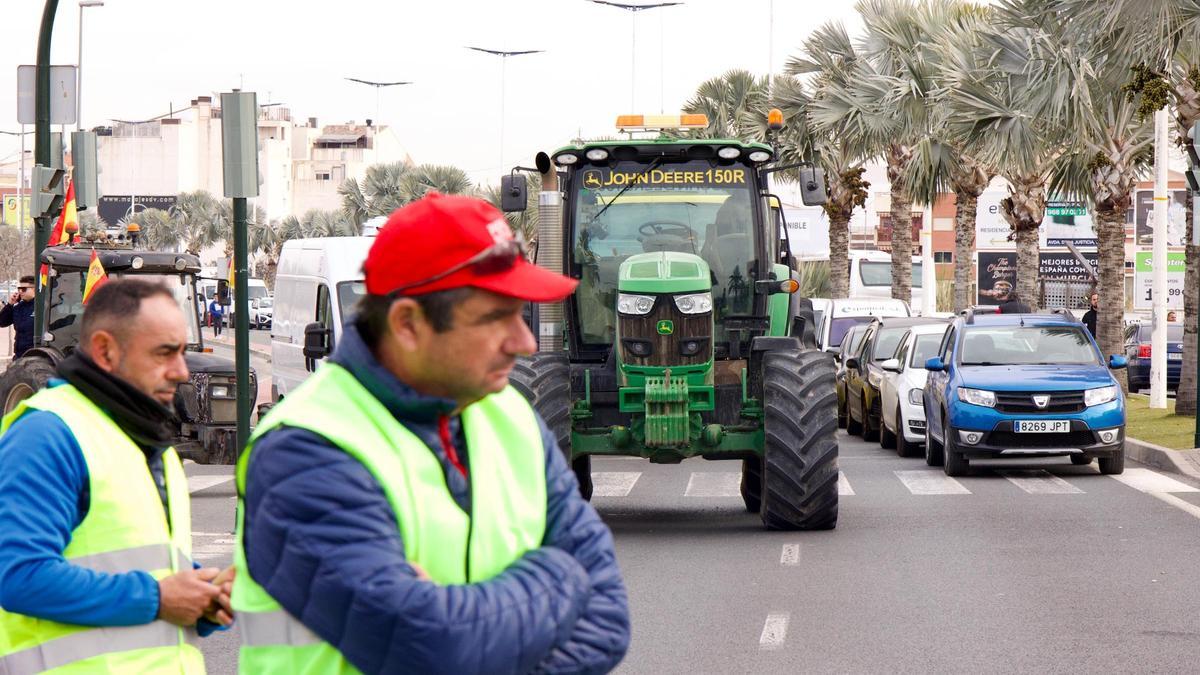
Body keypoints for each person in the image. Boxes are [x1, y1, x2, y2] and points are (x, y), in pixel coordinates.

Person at [234, 194, 631, 674]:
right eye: (495, 318)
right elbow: (427, 646)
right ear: (407, 324)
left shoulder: (510, 415)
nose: (525, 341)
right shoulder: (303, 450)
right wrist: (562, 576)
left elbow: (608, 617)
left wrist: (459, 618)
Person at [0, 279, 234, 673]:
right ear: (106, 350)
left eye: (182, 352)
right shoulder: (49, 433)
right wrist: (158, 597)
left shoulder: (148, 444)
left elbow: (141, 563)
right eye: (164, 353)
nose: (180, 372)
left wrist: (201, 594)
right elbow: (19, 575)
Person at [0, 275, 36, 358]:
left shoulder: (41, 307)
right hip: (19, 355)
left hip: (35, 355)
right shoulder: (18, 307)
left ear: (34, 289)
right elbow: (2, 322)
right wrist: (9, 304)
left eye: (23, 289)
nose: (20, 291)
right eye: (19, 289)